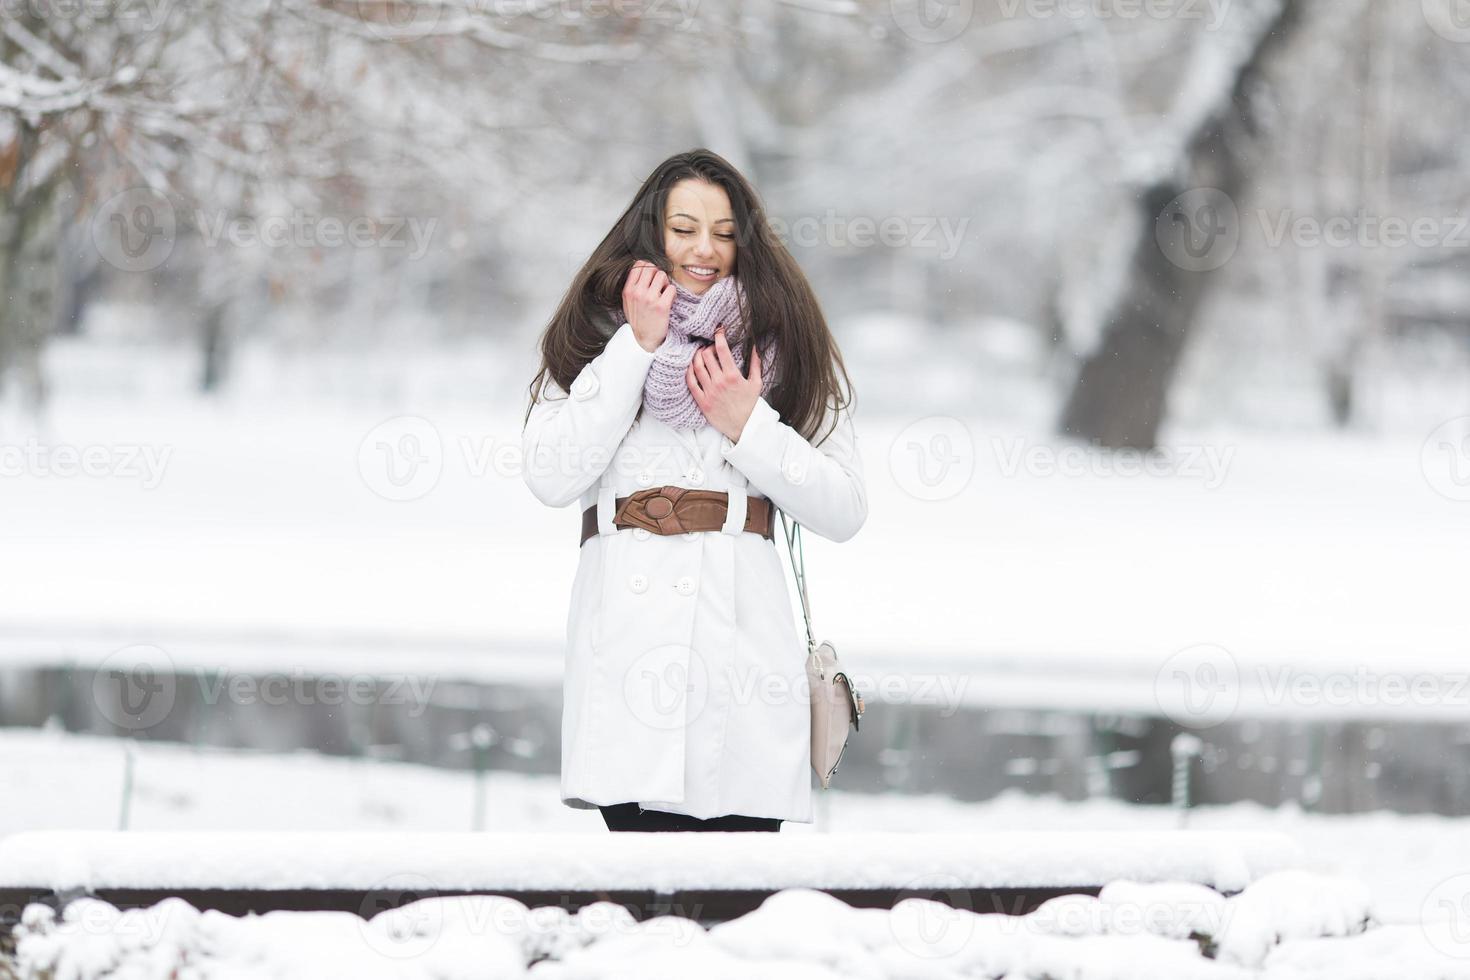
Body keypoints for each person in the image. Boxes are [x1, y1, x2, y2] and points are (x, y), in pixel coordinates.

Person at [520, 148, 867, 833]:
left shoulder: (785, 343)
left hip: (741, 644)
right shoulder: (595, 336)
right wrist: (636, 350)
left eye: (725, 231)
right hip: (627, 642)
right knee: (637, 887)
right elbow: (551, 475)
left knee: (737, 890)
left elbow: (844, 508)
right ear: (652, 233)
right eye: (684, 229)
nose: (704, 249)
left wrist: (749, 426)